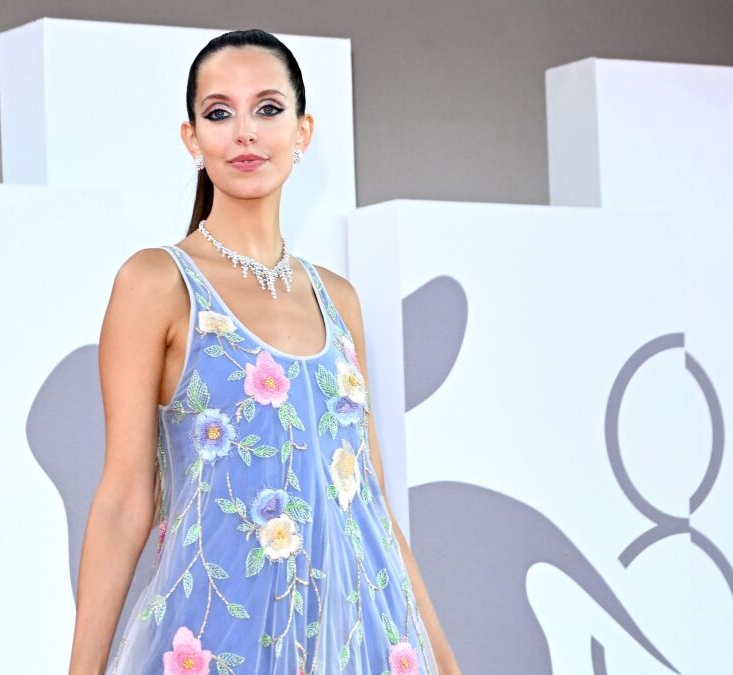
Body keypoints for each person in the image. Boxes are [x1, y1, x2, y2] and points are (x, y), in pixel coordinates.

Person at [69, 28, 463, 675]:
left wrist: (444, 661)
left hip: (360, 638)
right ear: (192, 138)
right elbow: (122, 502)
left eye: (268, 108)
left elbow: (370, 502)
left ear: (303, 132)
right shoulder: (157, 283)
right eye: (220, 112)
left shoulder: (339, 300)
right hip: (219, 635)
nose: (245, 132)